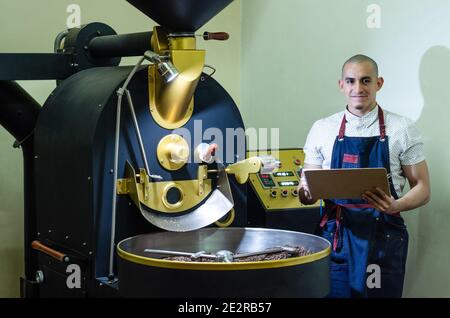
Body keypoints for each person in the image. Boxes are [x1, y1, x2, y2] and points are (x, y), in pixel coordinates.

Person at [298, 54, 431, 298]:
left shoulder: (401, 128)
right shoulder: (322, 129)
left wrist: (396, 205)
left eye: (365, 80)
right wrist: (304, 192)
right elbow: (307, 191)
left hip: (383, 235)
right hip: (336, 235)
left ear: (378, 83)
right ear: (341, 85)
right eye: (350, 81)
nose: (358, 88)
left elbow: (422, 187)